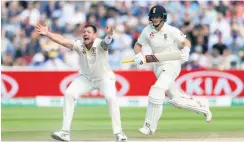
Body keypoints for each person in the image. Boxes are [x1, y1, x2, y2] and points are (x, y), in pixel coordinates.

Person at [35, 23, 127, 142]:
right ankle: (65, 133)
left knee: (111, 98)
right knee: (69, 94)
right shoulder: (79, 45)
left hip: (105, 78)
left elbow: (106, 43)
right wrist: (47, 33)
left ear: (94, 35)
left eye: (89, 32)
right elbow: (63, 41)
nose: (85, 34)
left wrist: (109, 36)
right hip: (86, 78)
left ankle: (119, 134)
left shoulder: (100, 43)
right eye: (84, 32)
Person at [132, 5, 212, 135]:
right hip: (158, 65)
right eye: (153, 17)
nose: (155, 19)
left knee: (156, 90)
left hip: (172, 64)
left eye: (157, 17)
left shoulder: (171, 30)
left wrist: (186, 50)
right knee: (176, 100)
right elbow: (138, 45)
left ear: (163, 17)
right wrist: (138, 55)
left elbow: (186, 42)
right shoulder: (147, 31)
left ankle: (149, 126)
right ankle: (202, 105)